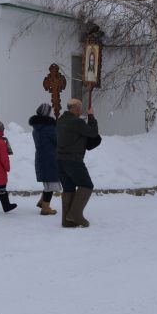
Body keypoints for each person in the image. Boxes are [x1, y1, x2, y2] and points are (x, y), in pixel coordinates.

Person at [55, 98, 101, 228]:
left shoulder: (60, 121)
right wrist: (91, 116)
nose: (81, 110)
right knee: (86, 185)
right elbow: (93, 132)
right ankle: (75, 214)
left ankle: (66, 220)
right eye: (80, 108)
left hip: (59, 161)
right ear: (75, 108)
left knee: (69, 188)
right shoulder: (76, 122)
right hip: (73, 160)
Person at [29, 103, 59, 216]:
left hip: (42, 158)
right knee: (50, 184)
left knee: (47, 182)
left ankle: (42, 202)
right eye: (51, 111)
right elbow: (58, 140)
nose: (53, 113)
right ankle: (45, 208)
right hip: (50, 158)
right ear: (47, 114)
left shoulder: (37, 128)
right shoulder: (49, 128)